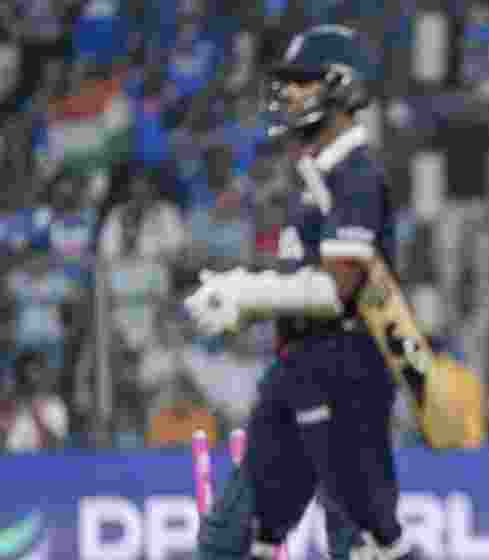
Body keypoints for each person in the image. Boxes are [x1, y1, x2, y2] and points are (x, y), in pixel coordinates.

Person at [185, 25, 412, 560]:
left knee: (361, 542)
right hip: (297, 372)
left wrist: (249, 292)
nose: (288, 94)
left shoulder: (356, 174)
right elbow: (306, 281)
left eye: (303, 82)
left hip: (345, 378)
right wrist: (250, 295)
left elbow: (338, 290)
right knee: (229, 540)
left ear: (341, 87)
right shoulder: (315, 176)